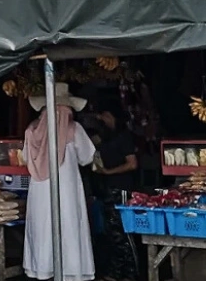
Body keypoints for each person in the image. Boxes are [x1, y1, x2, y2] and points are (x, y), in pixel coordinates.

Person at [23, 82, 95, 281]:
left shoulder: (32, 130)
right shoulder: (74, 129)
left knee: (42, 226)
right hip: (67, 188)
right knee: (69, 224)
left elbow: (26, 158)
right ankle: (71, 270)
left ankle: (43, 269)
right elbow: (87, 157)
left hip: (39, 189)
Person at [88, 110, 140, 281]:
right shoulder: (106, 137)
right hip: (109, 189)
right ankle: (117, 272)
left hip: (122, 189)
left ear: (114, 116)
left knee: (124, 232)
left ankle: (131, 273)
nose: (101, 118)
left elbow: (132, 164)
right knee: (113, 233)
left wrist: (108, 172)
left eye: (105, 115)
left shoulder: (124, 136)